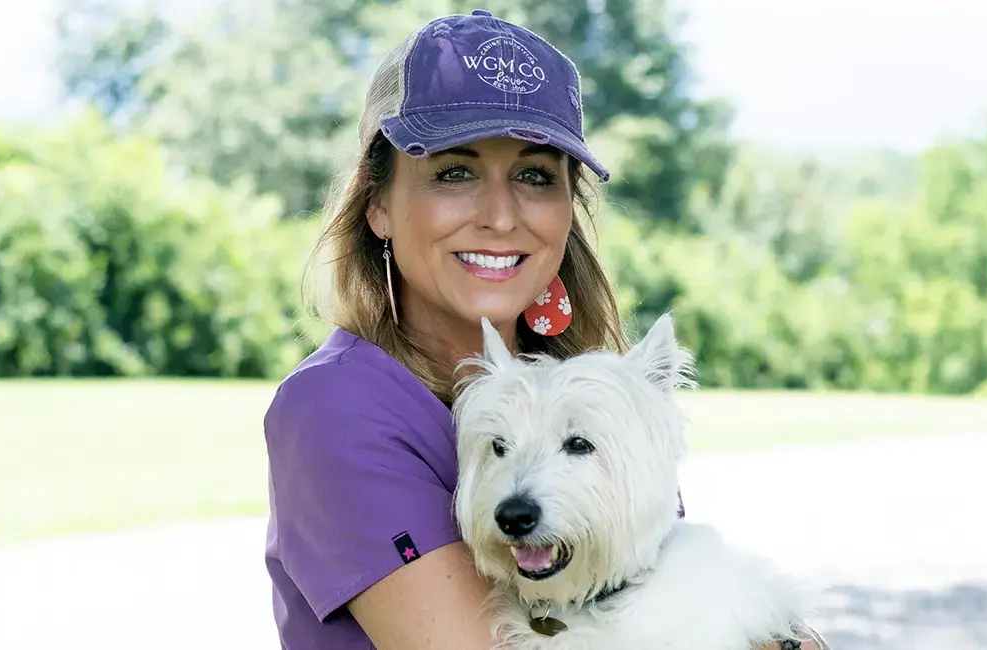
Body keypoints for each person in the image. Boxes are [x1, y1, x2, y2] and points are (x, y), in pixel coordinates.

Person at [262, 9, 830, 650]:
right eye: (454, 172)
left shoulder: (598, 392)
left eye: (535, 176)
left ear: (570, 208)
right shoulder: (339, 409)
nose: (500, 216)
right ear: (378, 206)